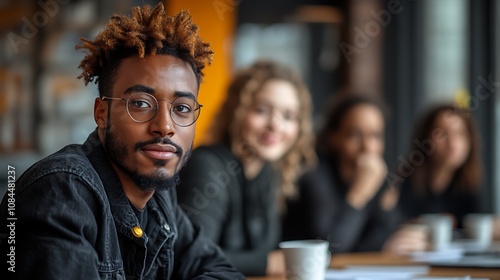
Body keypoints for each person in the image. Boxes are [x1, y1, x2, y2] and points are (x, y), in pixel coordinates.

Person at [0, 3, 244, 279]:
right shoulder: (61, 191)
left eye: (182, 108)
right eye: (140, 103)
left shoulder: (159, 197)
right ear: (101, 114)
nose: (164, 126)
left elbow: (223, 271)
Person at [176, 61, 316, 276]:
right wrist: (269, 263)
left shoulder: (268, 173)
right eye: (262, 110)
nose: (276, 125)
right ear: (236, 111)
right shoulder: (207, 166)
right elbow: (193, 256)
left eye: (289, 116)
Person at [283, 94, 428, 254]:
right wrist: (358, 195)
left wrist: (389, 240)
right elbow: (329, 248)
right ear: (333, 137)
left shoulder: (376, 176)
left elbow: (383, 234)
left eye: (375, 135)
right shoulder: (314, 176)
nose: (368, 146)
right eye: (355, 135)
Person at [395, 104, 483, 230]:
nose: (452, 143)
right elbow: (391, 224)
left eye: (460, 134)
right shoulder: (403, 181)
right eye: (442, 134)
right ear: (425, 140)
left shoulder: (468, 185)